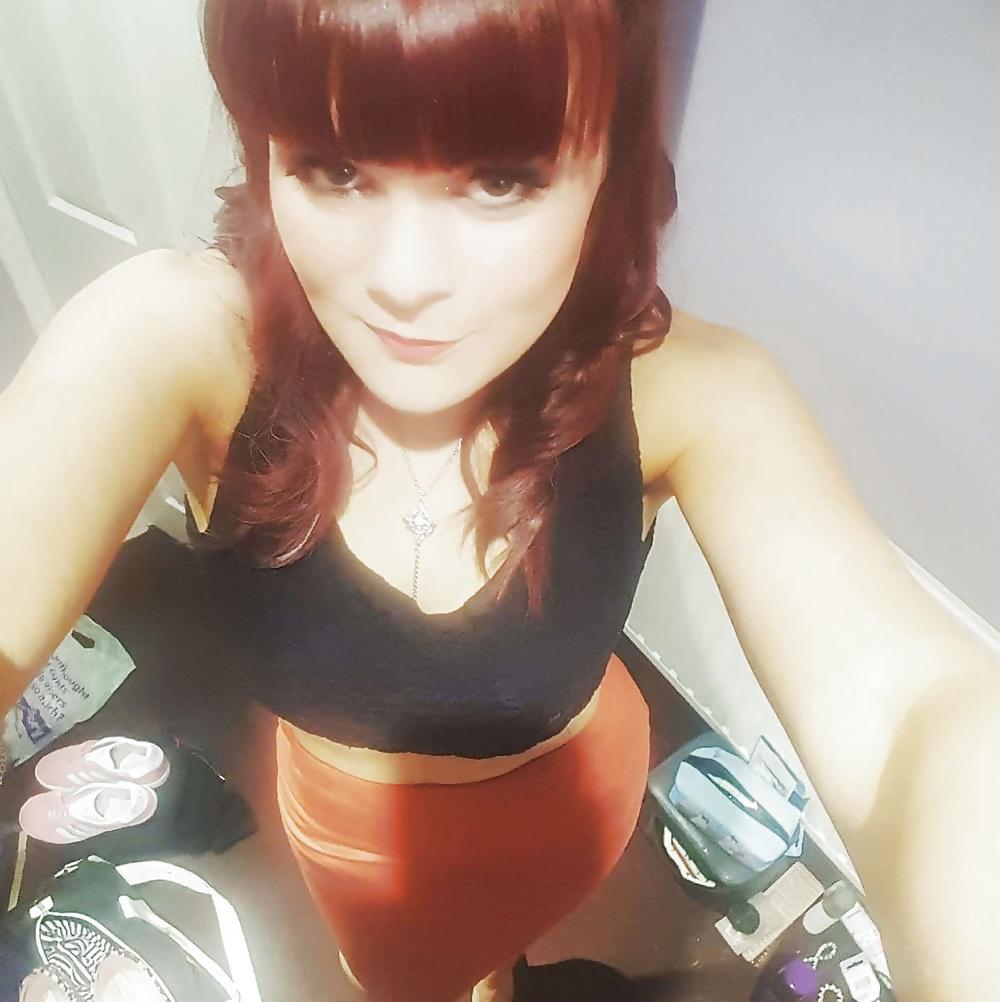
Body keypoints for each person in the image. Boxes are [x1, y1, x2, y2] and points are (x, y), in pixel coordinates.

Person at [1, 1, 997, 1000]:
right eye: (334, 168)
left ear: (608, 166)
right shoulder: (183, 340)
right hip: (349, 841)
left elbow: (913, 711)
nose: (403, 281)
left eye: (500, 179)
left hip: (570, 811)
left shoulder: (692, 390)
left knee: (496, 971)